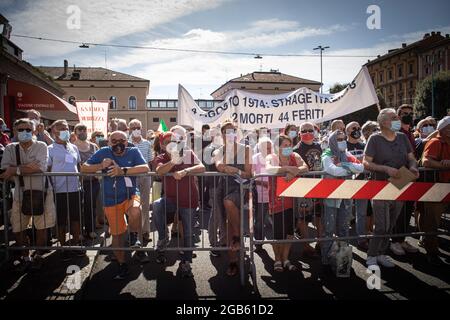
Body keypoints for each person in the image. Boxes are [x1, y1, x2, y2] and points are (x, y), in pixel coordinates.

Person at [81, 131, 149, 279]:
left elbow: (146, 168)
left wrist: (122, 171)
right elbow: (84, 168)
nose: (118, 143)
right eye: (114, 140)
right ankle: (122, 264)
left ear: (127, 141)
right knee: (117, 235)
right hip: (110, 199)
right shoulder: (103, 151)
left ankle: (133, 236)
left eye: (122, 140)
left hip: (130, 194)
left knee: (136, 211)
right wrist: (100, 165)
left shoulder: (133, 151)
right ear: (109, 142)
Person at [363, 108, 419, 268]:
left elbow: (411, 158)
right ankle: (371, 256)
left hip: (399, 185)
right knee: (381, 226)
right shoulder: (374, 139)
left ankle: (381, 253)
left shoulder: (402, 137)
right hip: (380, 187)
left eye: (397, 117)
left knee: (390, 225)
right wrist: (385, 169)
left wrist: (414, 168)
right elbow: (366, 163)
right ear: (383, 123)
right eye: (394, 117)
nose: (398, 120)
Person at [0, 119, 55, 270]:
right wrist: (27, 168)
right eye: (21, 129)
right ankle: (25, 256)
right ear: (15, 131)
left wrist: (16, 170)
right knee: (18, 227)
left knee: (41, 227)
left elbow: (40, 167)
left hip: (42, 192)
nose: (25, 132)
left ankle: (38, 256)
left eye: (28, 130)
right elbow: (5, 171)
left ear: (34, 131)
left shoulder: (41, 146)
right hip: (19, 193)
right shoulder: (10, 148)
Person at [153, 131, 205, 278]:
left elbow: (202, 167)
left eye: (175, 141)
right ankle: (163, 238)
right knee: (157, 205)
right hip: (170, 199)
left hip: (189, 200)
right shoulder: (160, 157)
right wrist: (173, 162)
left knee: (188, 232)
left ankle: (186, 262)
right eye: (168, 142)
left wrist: (186, 170)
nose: (172, 144)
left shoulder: (187, 152)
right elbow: (159, 171)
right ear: (162, 145)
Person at [321, 130, 364, 268]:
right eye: (339, 139)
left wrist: (344, 165)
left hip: (345, 197)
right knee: (329, 229)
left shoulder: (346, 153)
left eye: (343, 139)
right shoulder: (326, 153)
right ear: (332, 140)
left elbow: (361, 166)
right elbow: (331, 169)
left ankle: (343, 260)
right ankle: (326, 260)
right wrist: (350, 169)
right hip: (331, 197)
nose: (342, 141)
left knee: (344, 229)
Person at [266, 134, 309, 272]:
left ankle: (285, 258)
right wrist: (287, 169)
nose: (288, 148)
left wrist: (294, 171)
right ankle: (277, 259)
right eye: (285, 145)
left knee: (289, 231)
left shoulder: (294, 156)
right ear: (277, 147)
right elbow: (269, 169)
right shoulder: (271, 157)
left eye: (289, 145)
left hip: (293, 198)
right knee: (278, 232)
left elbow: (305, 167)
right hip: (276, 199)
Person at [215, 120, 252, 276]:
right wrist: (226, 165)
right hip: (223, 188)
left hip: (241, 190)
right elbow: (219, 165)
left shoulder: (247, 149)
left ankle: (238, 237)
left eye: (233, 131)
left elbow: (248, 173)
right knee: (227, 225)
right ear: (222, 135)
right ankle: (233, 262)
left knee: (229, 202)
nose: (230, 134)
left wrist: (235, 169)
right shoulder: (220, 150)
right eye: (227, 132)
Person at [48, 120, 83, 261]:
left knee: (76, 218)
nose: (65, 131)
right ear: (54, 132)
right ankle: (63, 247)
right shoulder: (49, 149)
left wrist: (80, 182)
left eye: (67, 128)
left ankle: (76, 244)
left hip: (75, 189)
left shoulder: (74, 147)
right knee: (61, 221)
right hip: (59, 190)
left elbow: (78, 166)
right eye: (62, 129)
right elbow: (47, 169)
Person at [420, 116, 450, 265]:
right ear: (443, 129)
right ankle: (431, 250)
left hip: (446, 186)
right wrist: (442, 165)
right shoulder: (436, 142)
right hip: (436, 186)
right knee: (432, 220)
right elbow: (426, 161)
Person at [390, 104, 419, 256]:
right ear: (398, 115)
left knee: (407, 210)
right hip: (400, 174)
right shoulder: (396, 130)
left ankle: (401, 239)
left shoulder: (410, 132)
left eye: (410, 113)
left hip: (410, 174)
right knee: (398, 210)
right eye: (404, 113)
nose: (408, 115)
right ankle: (394, 241)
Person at [294, 121, 323, 256]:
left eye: (310, 130)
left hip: (319, 186)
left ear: (315, 131)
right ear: (299, 134)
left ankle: (320, 242)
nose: (307, 133)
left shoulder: (319, 146)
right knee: (304, 217)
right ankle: (306, 246)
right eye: (304, 131)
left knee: (319, 215)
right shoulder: (296, 150)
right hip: (303, 189)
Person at [345, 121, 369, 251]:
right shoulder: (343, 145)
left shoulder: (364, 145)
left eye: (358, 128)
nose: (357, 130)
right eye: (353, 128)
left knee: (361, 213)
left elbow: (367, 162)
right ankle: (345, 241)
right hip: (347, 184)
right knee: (347, 213)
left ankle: (361, 239)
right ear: (347, 132)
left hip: (362, 183)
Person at [73, 124, 99, 239]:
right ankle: (79, 232)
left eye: (84, 129)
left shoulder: (94, 146)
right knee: (78, 206)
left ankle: (90, 229)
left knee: (91, 206)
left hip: (93, 182)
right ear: (75, 132)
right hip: (77, 182)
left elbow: (99, 161)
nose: (82, 132)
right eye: (80, 130)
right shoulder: (72, 147)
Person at [129, 119, 153, 242]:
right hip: (130, 178)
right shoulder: (126, 143)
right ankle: (132, 232)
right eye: (133, 128)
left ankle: (145, 231)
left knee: (145, 205)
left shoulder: (148, 144)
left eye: (137, 127)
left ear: (141, 128)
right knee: (131, 205)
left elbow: (150, 160)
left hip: (144, 177)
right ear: (129, 130)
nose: (135, 130)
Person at [252, 137, 274, 252]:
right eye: (266, 147)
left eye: (270, 147)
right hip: (260, 195)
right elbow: (251, 176)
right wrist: (262, 182)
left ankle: (279, 242)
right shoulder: (255, 158)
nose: (269, 149)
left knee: (277, 218)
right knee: (259, 219)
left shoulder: (275, 158)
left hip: (274, 195)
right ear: (260, 148)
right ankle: (259, 242)